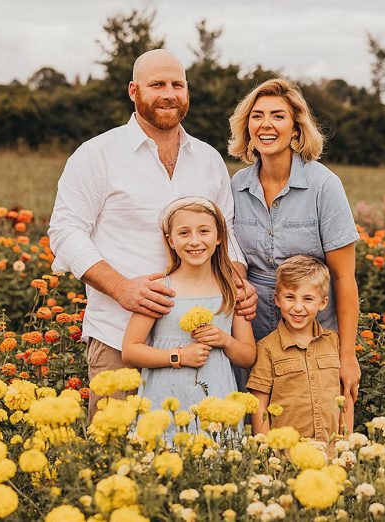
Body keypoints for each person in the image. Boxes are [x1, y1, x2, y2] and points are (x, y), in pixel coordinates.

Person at [47, 50, 257, 418]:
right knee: (119, 460)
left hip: (199, 345)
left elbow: (228, 236)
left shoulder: (208, 159)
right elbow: (66, 231)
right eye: (157, 84)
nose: (169, 93)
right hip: (121, 338)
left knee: (199, 452)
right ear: (133, 90)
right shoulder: (97, 154)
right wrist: (122, 288)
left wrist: (236, 284)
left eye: (178, 84)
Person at [228, 77, 360, 427]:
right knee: (256, 421)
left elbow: (344, 277)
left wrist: (348, 356)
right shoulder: (236, 187)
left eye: (278, 116)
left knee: (312, 417)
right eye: (257, 116)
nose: (266, 125)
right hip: (253, 325)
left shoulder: (323, 185)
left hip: (312, 325)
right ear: (247, 127)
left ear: (296, 129)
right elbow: (230, 257)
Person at [122, 197, 256, 436]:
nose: (195, 241)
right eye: (184, 233)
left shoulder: (231, 290)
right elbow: (130, 351)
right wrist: (179, 356)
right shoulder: (159, 290)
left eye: (204, 231)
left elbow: (247, 356)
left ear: (219, 237)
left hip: (216, 403)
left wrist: (224, 339)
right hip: (164, 402)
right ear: (171, 241)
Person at [247, 255, 347, 441]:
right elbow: (259, 405)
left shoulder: (334, 342)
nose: (298, 307)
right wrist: (264, 450)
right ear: (277, 299)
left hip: (330, 453)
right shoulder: (267, 348)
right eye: (290, 298)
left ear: (323, 302)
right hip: (286, 456)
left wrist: (346, 446)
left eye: (308, 299)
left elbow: (344, 401)